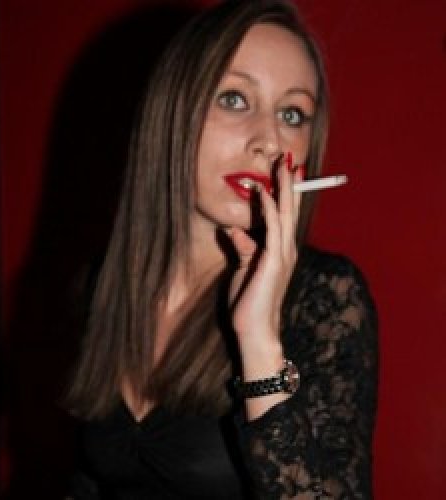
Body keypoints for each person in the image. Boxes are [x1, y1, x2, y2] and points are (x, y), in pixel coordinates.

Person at [65, 1, 378, 498]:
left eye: (292, 114)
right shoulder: (104, 282)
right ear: (173, 112)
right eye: (234, 99)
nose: (269, 141)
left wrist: (259, 341)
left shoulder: (326, 296)